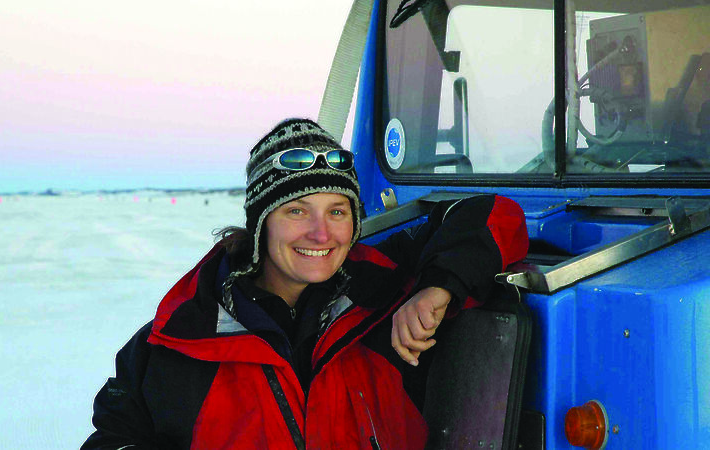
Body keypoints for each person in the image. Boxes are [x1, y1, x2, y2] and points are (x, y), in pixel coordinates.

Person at [82, 118, 529, 449]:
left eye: (337, 211)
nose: (321, 234)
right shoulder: (180, 341)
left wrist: (439, 287)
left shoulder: (382, 292)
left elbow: (493, 214)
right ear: (261, 225)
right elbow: (112, 438)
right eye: (297, 211)